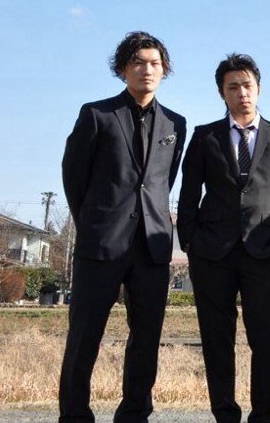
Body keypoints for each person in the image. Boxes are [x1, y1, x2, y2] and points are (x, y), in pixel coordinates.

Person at [59, 31, 187, 423]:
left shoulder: (176, 124)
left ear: (164, 70)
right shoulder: (96, 115)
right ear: (122, 69)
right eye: (138, 62)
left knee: (146, 337)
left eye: (155, 63)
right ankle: (74, 415)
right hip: (101, 244)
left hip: (152, 247)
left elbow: (162, 182)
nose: (147, 69)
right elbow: (74, 177)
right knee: (85, 335)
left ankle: (134, 413)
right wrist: (92, 224)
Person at [177, 53, 270, 423]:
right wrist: (189, 242)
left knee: (267, 336)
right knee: (217, 338)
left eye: (247, 85)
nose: (241, 93)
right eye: (233, 87)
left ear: (258, 89)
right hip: (212, 252)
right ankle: (225, 413)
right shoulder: (205, 136)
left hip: (265, 251)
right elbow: (188, 194)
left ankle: (263, 413)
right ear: (222, 93)